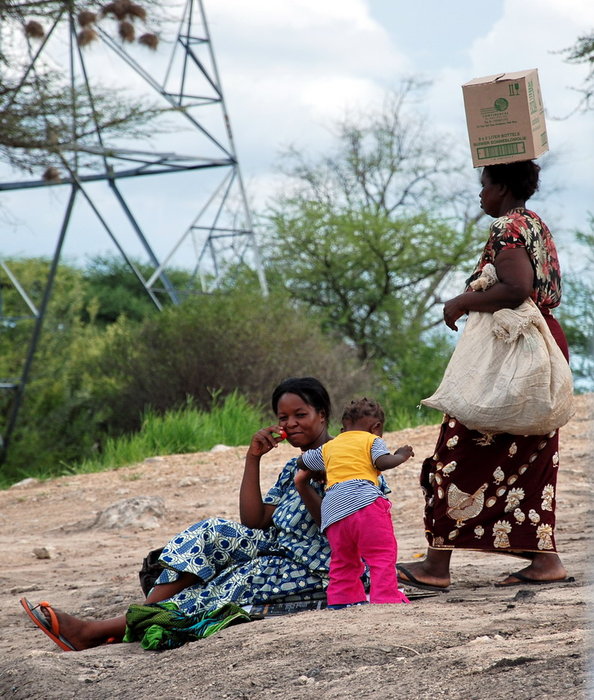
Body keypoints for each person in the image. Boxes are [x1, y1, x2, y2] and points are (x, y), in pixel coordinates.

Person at [20, 377, 336, 651]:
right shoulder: (296, 465)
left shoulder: (346, 459)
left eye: (300, 415)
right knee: (211, 532)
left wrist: (305, 484)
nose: (291, 423)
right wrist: (252, 458)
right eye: (284, 417)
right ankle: (142, 616)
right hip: (280, 548)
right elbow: (253, 522)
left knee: (233, 583)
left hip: (319, 565)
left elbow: (340, 526)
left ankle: (96, 632)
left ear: (322, 415)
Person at [397, 160, 574, 592]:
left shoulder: (508, 227)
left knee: (457, 449)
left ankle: (437, 567)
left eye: (484, 186)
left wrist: (461, 301)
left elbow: (516, 287)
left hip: (514, 356)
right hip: (541, 348)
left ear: (502, 187)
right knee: (528, 457)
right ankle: (544, 560)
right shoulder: (536, 224)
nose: (480, 195)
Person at [297, 397, 413, 608]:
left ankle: (342, 601)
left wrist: (325, 467)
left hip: (333, 511)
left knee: (343, 561)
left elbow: (302, 461)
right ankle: (386, 598)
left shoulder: (330, 446)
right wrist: (400, 455)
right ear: (376, 427)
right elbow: (382, 462)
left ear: (343, 429)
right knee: (381, 554)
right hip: (366, 504)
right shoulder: (371, 440)